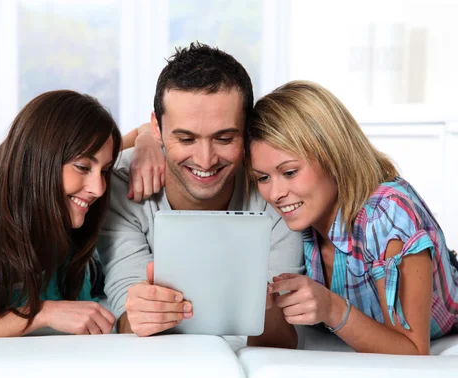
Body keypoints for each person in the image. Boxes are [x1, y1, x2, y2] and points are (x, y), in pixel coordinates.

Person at [247, 80, 458, 355]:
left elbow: (413, 351)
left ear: (333, 156)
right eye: (263, 178)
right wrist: (262, 305)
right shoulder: (298, 219)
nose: (276, 193)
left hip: (442, 325)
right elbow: (274, 344)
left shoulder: (388, 215)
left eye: (289, 172)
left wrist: (331, 307)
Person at [98, 43, 304, 348]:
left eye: (224, 138)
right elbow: (126, 317)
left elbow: (283, 336)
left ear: (248, 130)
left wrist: (267, 306)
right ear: (157, 128)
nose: (206, 160)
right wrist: (139, 315)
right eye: (185, 138)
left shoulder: (274, 188)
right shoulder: (120, 185)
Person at [0, 90, 129, 338]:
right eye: (82, 167)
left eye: (105, 170)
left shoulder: (70, 210)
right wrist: (39, 313)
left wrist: (146, 139)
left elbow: (128, 142)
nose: (99, 189)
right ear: (40, 159)